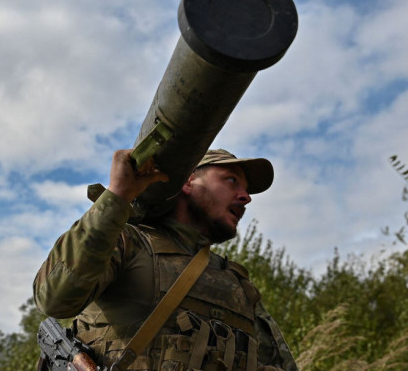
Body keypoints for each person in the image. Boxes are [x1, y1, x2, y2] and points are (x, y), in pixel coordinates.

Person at [34, 148, 297, 371]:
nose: (246, 197)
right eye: (231, 180)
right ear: (188, 182)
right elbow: (54, 298)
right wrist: (117, 197)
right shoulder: (128, 242)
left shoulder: (238, 284)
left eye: (246, 189)